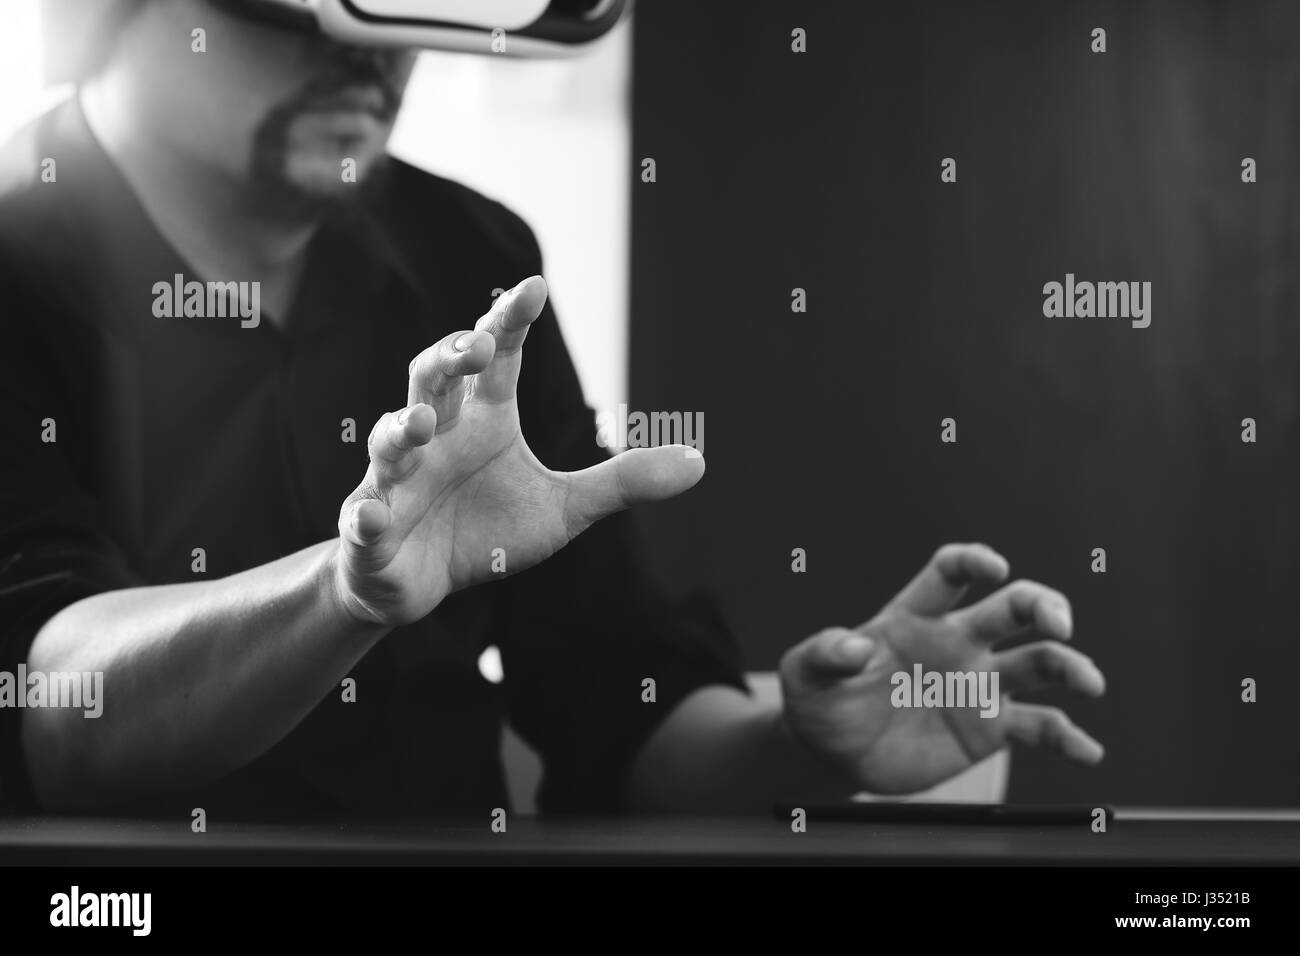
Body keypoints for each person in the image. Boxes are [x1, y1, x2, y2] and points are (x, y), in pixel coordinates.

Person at [0, 0, 1105, 819]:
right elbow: (51, 707)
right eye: (301, 13)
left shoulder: (470, 259)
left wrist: (803, 743)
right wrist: (345, 593)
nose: (366, 51)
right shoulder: (19, 259)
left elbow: (612, 704)